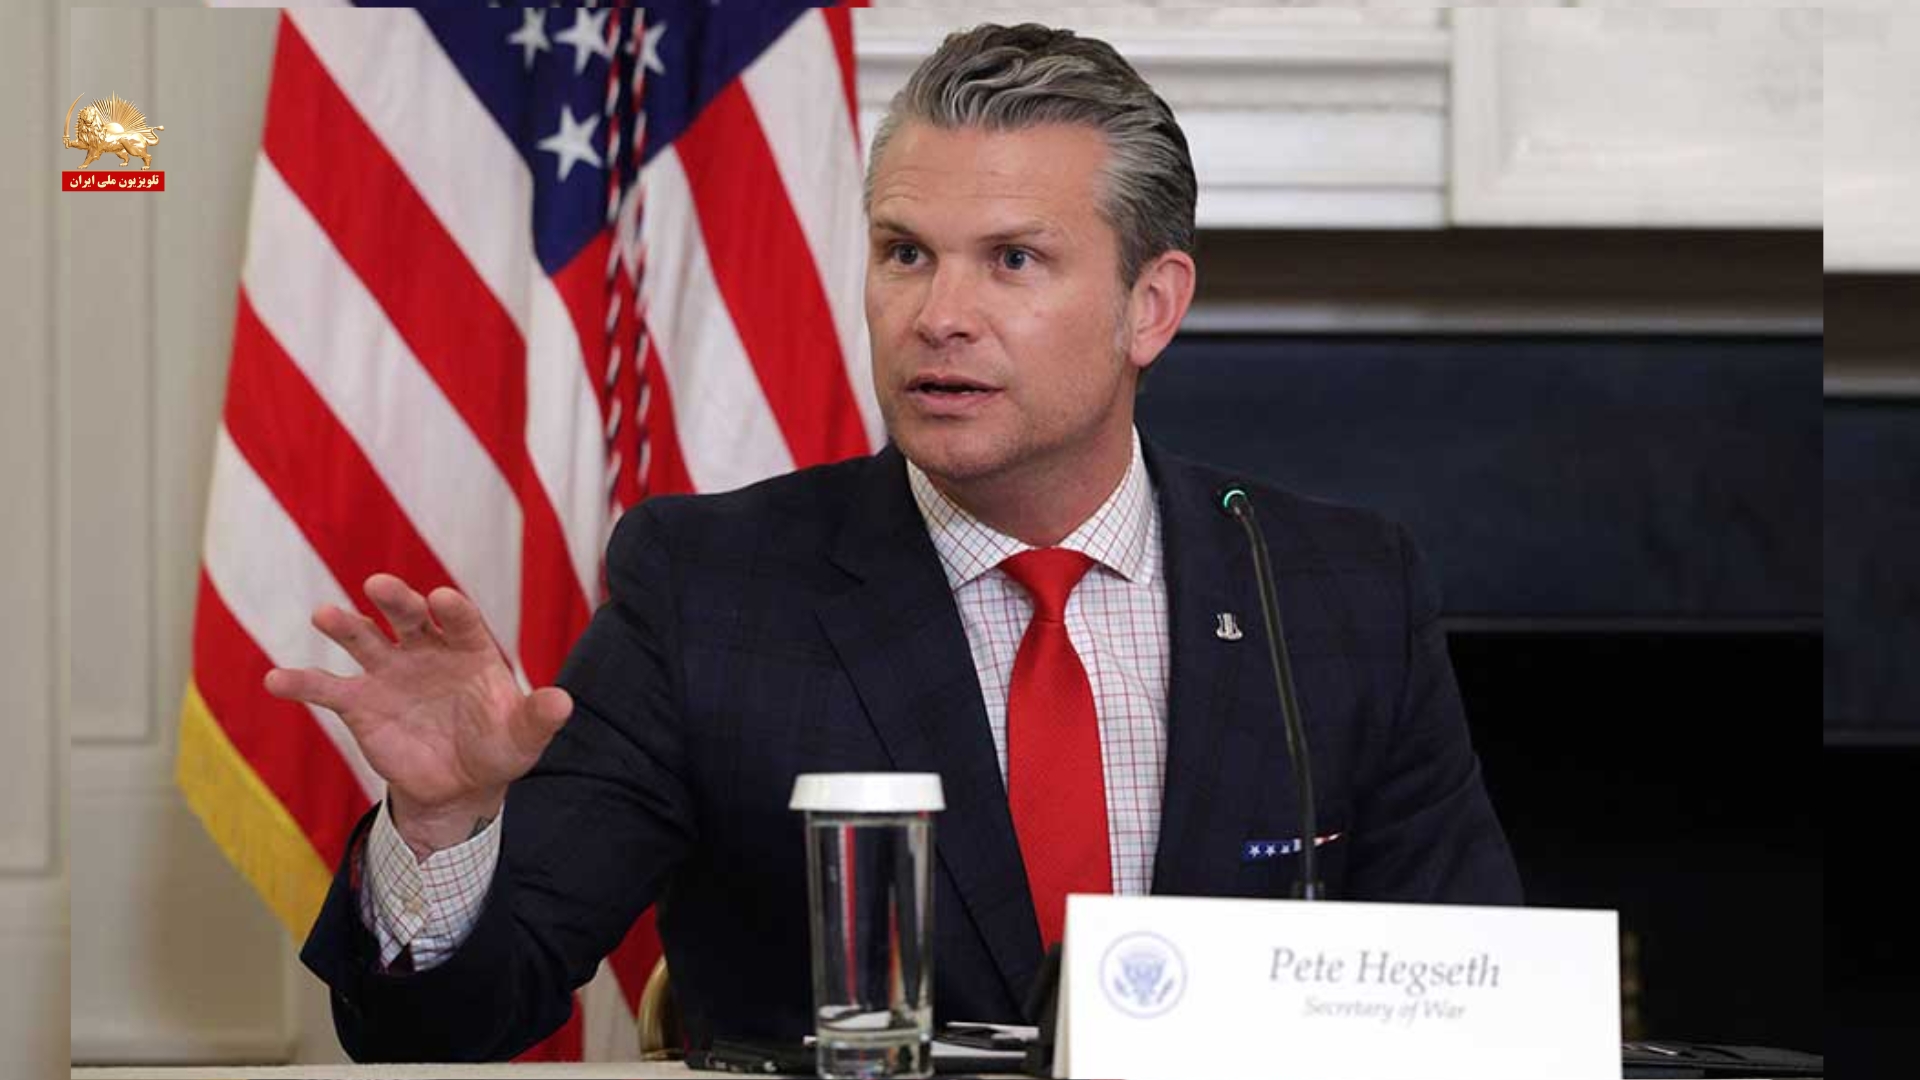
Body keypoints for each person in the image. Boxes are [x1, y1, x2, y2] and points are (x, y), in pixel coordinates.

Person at [285, 23, 1521, 1062]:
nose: (939, 316)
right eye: (905, 254)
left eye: (1013, 260)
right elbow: (443, 1024)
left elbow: (1474, 1002)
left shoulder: (1337, 591)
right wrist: (443, 827)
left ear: (1150, 307)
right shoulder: (710, 590)